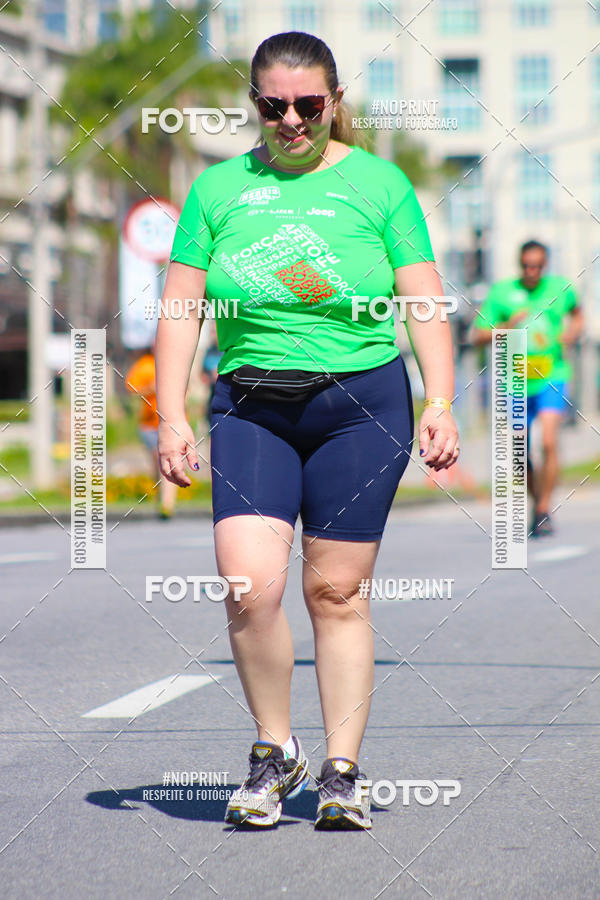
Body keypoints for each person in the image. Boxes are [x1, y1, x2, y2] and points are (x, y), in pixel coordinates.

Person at [155, 30, 459, 830]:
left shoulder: (377, 184)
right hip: (252, 403)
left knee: (335, 592)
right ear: (255, 105)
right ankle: (273, 751)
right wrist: (171, 412)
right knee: (249, 586)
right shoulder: (219, 191)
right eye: (274, 104)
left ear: (333, 103)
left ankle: (343, 770)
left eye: (309, 104)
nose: (291, 119)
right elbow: (182, 305)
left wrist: (440, 400)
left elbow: (423, 298)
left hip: (359, 407)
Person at [471, 240, 583, 537]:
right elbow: (478, 336)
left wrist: (571, 334)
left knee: (548, 441)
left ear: (546, 265)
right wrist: (507, 325)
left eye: (538, 266)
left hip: (551, 375)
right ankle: (537, 502)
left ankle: (544, 507)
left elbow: (577, 313)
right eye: (526, 266)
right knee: (521, 451)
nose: (532, 271)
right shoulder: (501, 293)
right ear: (519, 264)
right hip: (515, 379)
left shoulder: (560, 287)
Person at [125, 347, 177, 519]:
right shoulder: (146, 365)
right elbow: (131, 387)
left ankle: (167, 505)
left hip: (170, 423)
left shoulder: (174, 361)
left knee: (169, 463)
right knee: (157, 464)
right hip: (149, 423)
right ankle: (161, 498)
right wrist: (150, 388)